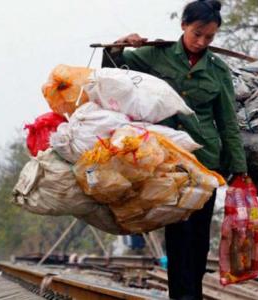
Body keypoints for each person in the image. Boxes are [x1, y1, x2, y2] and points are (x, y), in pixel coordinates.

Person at [102, 0, 249, 299]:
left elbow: (227, 122)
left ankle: (191, 293)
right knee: (178, 234)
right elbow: (114, 73)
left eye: (209, 37)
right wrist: (118, 47)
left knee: (198, 238)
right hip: (167, 161)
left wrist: (239, 168)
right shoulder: (156, 55)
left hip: (205, 162)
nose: (201, 42)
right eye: (197, 33)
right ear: (183, 25)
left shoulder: (218, 71)